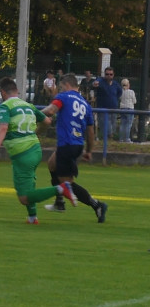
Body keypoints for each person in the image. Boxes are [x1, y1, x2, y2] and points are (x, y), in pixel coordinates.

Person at [0, 77, 75, 225]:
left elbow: (3, 127)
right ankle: (32, 217)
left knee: (24, 197)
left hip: (22, 153)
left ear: (3, 93)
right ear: (17, 91)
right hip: (35, 149)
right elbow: (47, 121)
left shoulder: (5, 106)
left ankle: (61, 189)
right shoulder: (28, 105)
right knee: (29, 185)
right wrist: (35, 132)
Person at [42, 73, 107, 222]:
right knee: (52, 164)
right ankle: (59, 202)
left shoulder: (63, 97)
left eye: (61, 86)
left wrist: (35, 113)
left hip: (67, 144)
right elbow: (91, 132)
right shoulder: (85, 104)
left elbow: (51, 110)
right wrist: (89, 151)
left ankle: (97, 205)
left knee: (67, 183)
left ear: (65, 85)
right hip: (78, 144)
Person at [92, 66, 122, 140]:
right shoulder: (101, 81)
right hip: (103, 109)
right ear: (104, 74)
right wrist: (94, 83)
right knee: (106, 127)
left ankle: (109, 141)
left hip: (113, 109)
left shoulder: (115, 84)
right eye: (107, 74)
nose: (109, 76)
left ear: (113, 75)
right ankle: (108, 140)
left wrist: (114, 99)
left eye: (110, 74)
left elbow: (120, 92)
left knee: (113, 126)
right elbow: (95, 83)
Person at [118, 78, 136, 142]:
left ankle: (121, 139)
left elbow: (120, 98)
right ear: (128, 84)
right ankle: (127, 138)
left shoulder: (121, 92)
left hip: (122, 108)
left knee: (122, 124)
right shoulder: (131, 92)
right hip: (130, 108)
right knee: (128, 124)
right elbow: (134, 101)